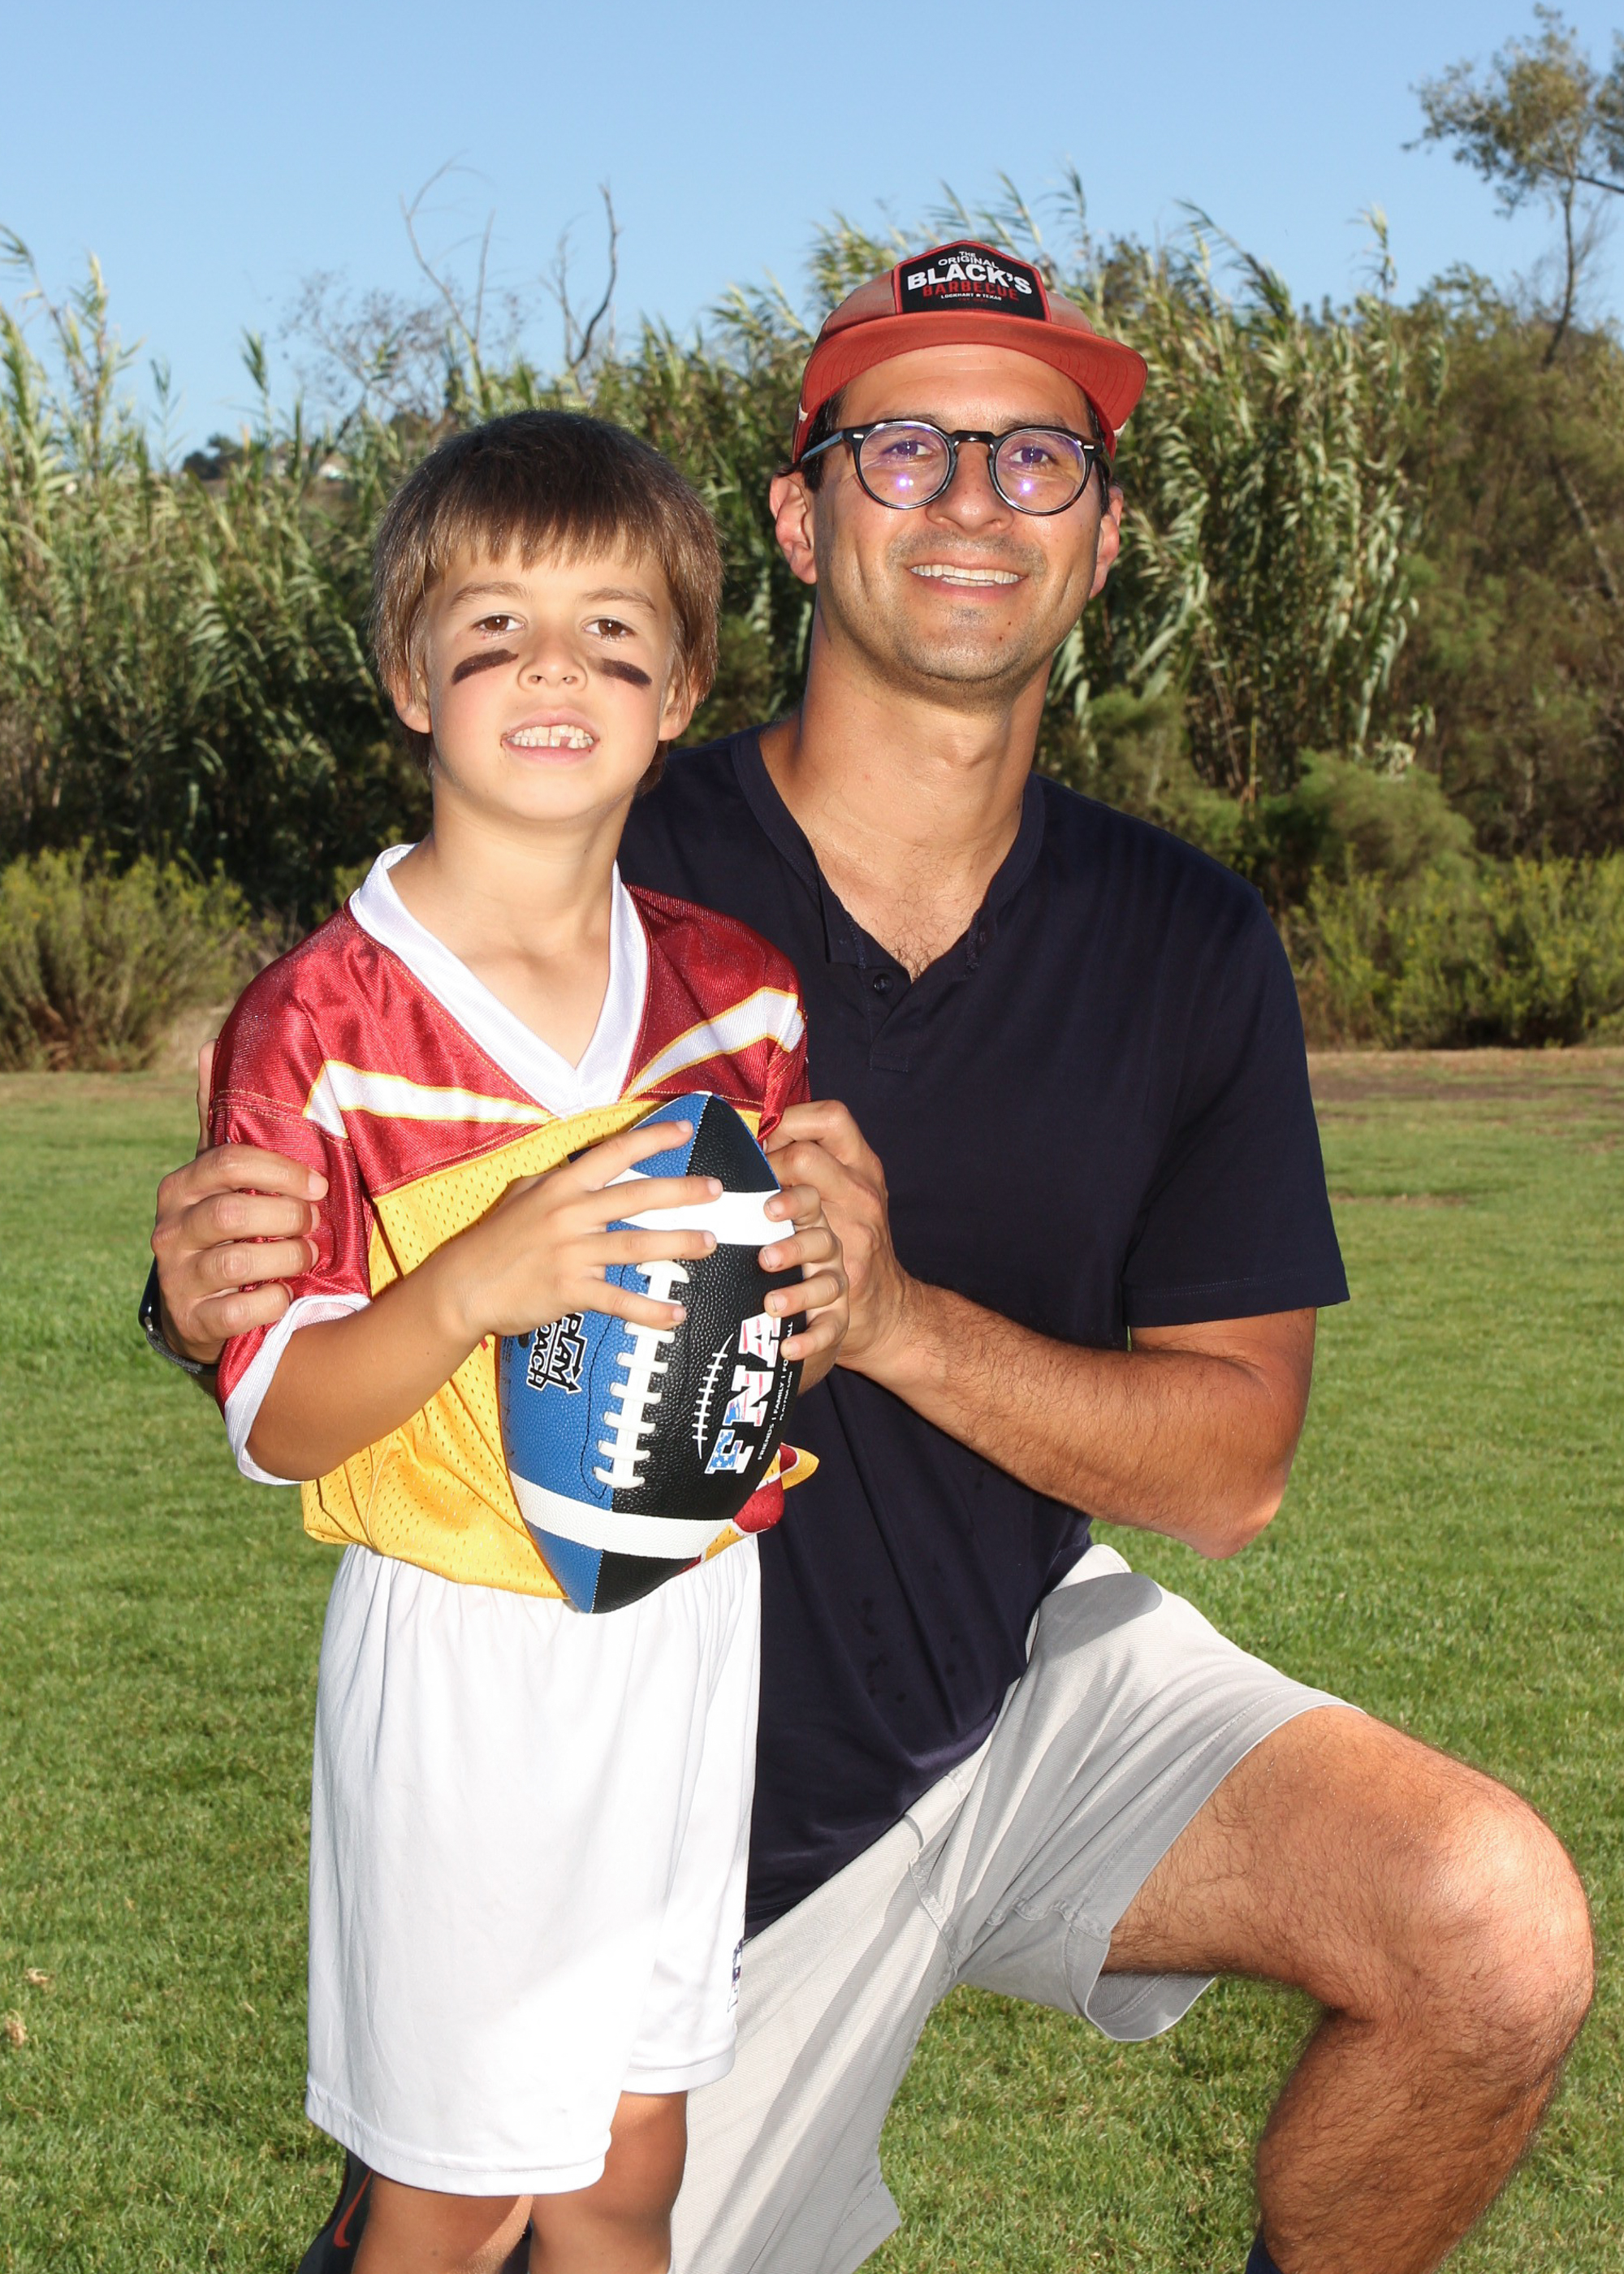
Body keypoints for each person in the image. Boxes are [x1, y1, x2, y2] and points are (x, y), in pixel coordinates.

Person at [145, 243, 1593, 2274]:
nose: (973, 498)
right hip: (689, 1758)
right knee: (510, 2211)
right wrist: (199, 1283)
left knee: (1489, 1925)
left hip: (1018, 1663)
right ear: (800, 517)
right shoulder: (601, 837)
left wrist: (899, 1321)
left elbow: (1232, 1463)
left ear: (1103, 536)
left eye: (1036, 457)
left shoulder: (1184, 938)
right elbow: (345, 1147)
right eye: (905, 448)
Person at [191, 409, 848, 2274]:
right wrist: (473, 1283)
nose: (555, 671)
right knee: (453, 2194)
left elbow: (765, 1343)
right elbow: (281, 1417)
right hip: (468, 1651)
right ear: (411, 677)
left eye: (612, 636)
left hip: (689, 1620)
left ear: (682, 688)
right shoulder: (317, 1020)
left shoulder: (739, 994)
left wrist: (813, 1293)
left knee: (632, 2157)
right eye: (495, 632)